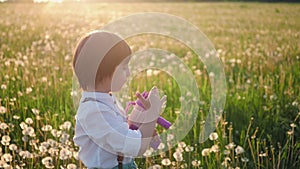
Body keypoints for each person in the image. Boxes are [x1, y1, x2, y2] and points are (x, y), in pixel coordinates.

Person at [72, 30, 166, 169]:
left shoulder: (105, 100)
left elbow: (123, 130)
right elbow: (136, 147)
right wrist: (152, 115)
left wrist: (140, 114)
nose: (128, 73)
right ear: (102, 70)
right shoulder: (94, 112)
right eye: (123, 67)